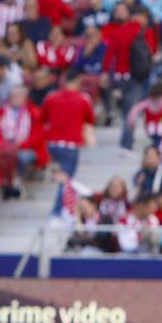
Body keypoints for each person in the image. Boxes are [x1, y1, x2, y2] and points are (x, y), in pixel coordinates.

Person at [41, 70, 95, 215]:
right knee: (66, 181)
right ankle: (57, 212)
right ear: (78, 81)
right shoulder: (83, 99)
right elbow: (90, 120)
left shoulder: (51, 97)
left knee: (63, 178)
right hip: (70, 146)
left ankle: (59, 209)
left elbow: (43, 118)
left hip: (52, 144)